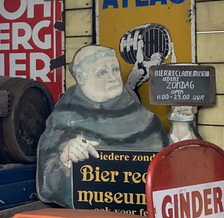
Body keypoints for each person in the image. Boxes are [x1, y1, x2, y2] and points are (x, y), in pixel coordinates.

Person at [36, 45, 169, 208]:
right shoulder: (64, 118)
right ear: (81, 77)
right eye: (102, 73)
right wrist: (65, 161)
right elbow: (48, 187)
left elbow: (166, 173)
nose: (113, 77)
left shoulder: (146, 119)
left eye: (115, 70)